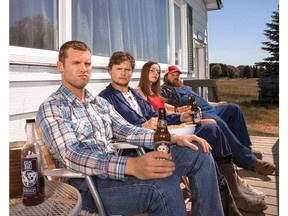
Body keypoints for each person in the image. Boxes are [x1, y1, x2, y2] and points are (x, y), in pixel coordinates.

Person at [36, 40, 224, 216]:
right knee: (163, 185)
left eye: (87, 64)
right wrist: (130, 165)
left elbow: (128, 130)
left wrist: (171, 138)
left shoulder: (98, 103)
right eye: (76, 63)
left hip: (117, 175)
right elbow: (71, 155)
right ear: (60, 66)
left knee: (199, 152)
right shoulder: (53, 107)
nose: (84, 69)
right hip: (87, 185)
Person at [98, 51, 268, 213]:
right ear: (109, 70)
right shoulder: (105, 98)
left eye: (127, 69)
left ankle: (231, 189)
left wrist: (181, 118)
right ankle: (230, 194)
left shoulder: (133, 95)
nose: (123, 73)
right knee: (204, 142)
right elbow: (117, 130)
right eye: (118, 69)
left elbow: (157, 115)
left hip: (162, 137)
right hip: (142, 149)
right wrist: (143, 126)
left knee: (212, 129)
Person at [160, 65, 276, 176]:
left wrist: (218, 104)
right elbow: (163, 105)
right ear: (166, 77)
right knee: (218, 122)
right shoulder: (166, 90)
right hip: (200, 113)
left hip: (212, 108)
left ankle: (245, 148)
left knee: (234, 108)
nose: (176, 77)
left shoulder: (185, 87)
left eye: (178, 74)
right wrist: (179, 110)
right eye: (173, 74)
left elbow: (204, 101)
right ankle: (249, 161)